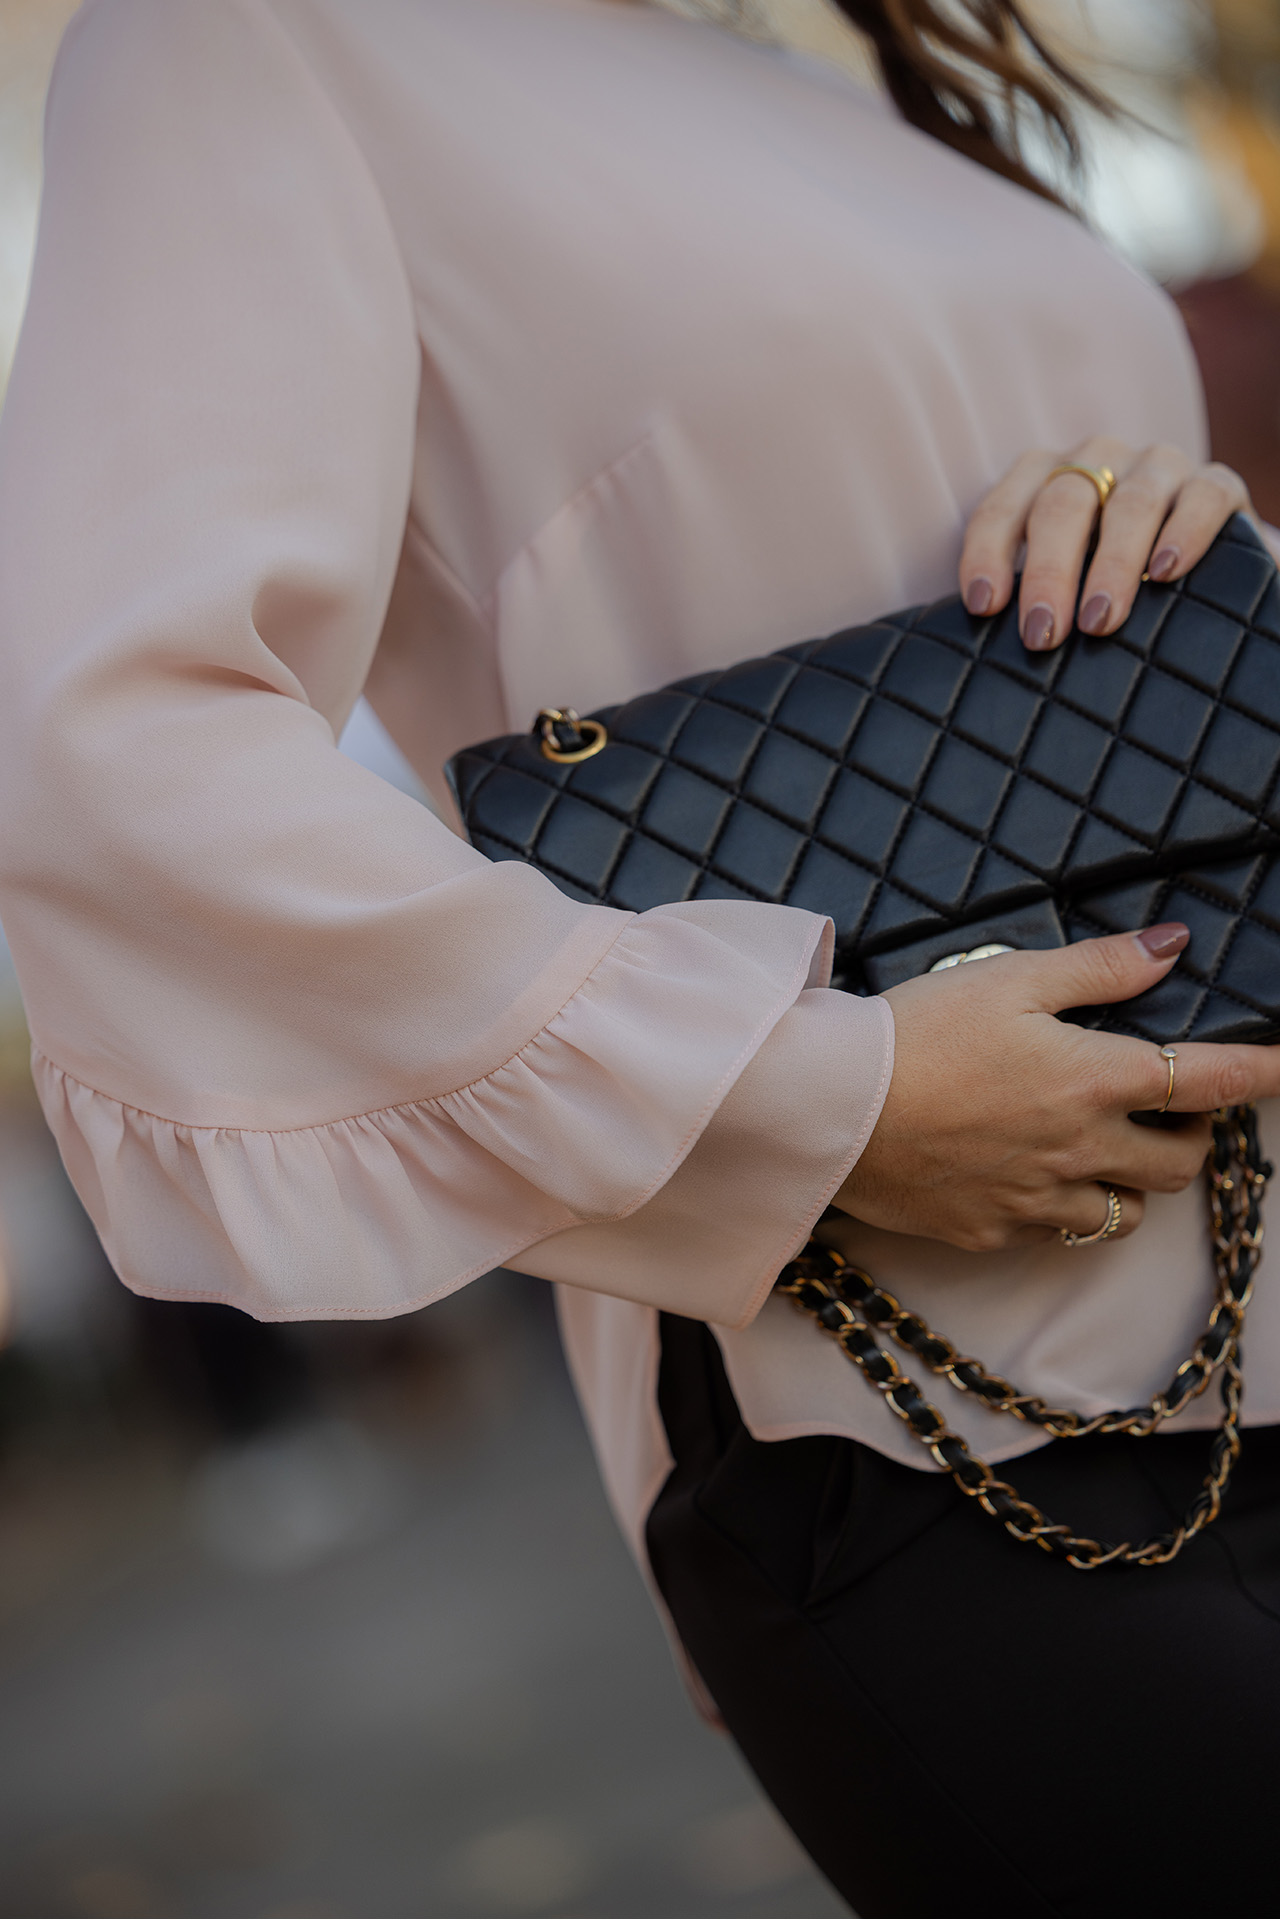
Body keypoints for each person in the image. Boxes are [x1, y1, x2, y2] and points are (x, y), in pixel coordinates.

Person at [0, 1, 1277, 1912]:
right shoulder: (248, 45)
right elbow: (107, 758)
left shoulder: (823, 52)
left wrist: (1197, 543)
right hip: (922, 1401)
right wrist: (816, 1099)